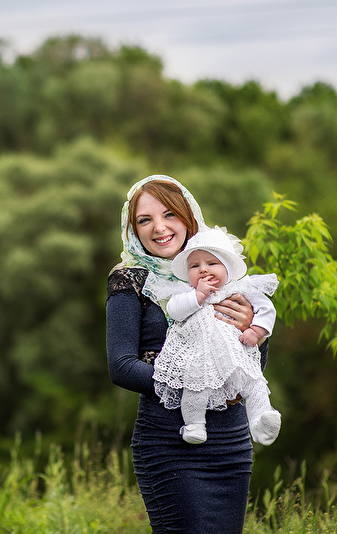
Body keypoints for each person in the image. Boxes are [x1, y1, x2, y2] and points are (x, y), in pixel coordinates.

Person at [106, 174, 267, 533]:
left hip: (231, 443)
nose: (159, 228)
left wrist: (254, 333)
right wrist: (195, 385)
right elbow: (121, 366)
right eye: (144, 220)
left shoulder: (221, 272)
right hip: (169, 441)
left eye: (169, 214)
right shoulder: (130, 279)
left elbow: (251, 368)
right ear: (133, 229)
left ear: (188, 215)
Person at [146, 226, 281, 446]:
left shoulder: (240, 289)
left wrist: (256, 331)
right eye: (195, 266)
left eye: (211, 263)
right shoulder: (186, 292)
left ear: (227, 267)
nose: (203, 269)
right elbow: (174, 310)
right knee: (195, 387)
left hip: (236, 353)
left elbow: (266, 309)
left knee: (253, 382)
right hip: (200, 357)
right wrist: (198, 295)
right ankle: (195, 425)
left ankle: (261, 419)